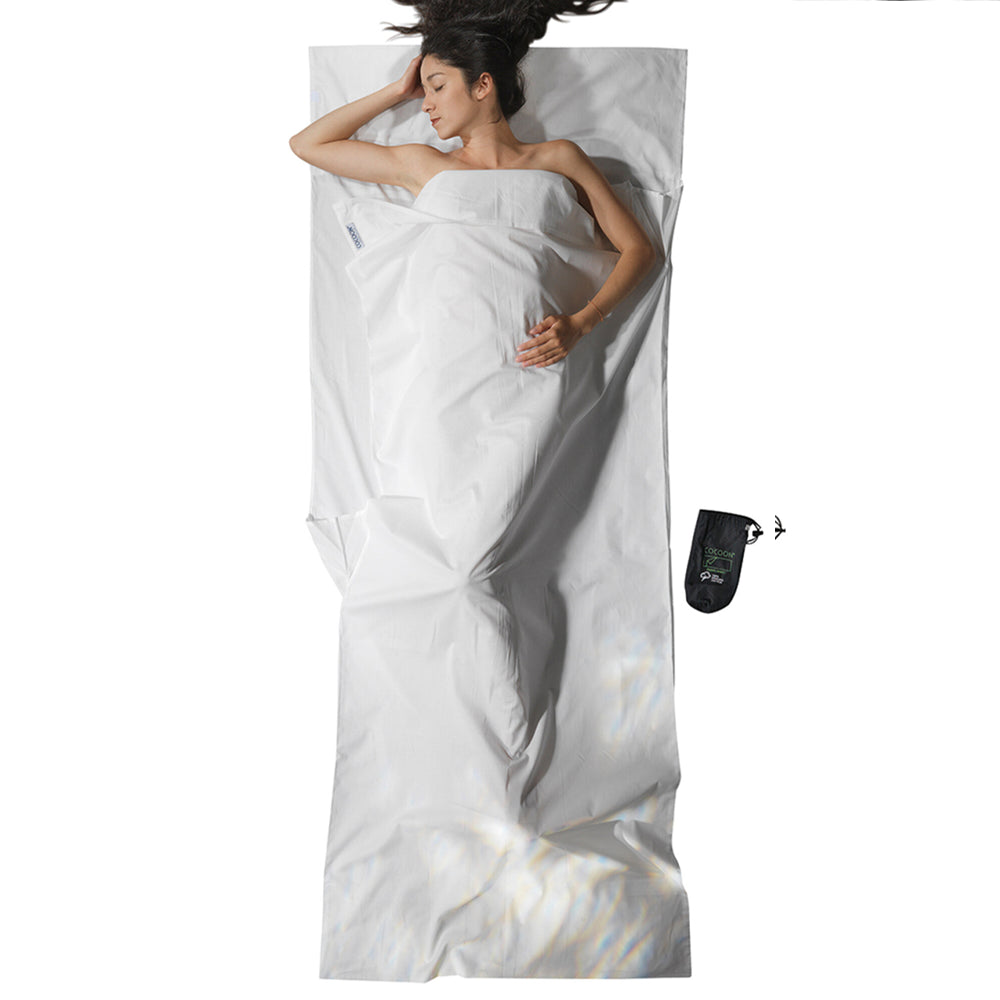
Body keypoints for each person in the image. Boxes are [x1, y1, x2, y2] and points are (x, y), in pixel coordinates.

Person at [289, 0, 656, 369]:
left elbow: (638, 250)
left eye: (437, 87)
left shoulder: (559, 158)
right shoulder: (425, 165)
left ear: (482, 85)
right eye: (424, 91)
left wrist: (582, 323)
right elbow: (307, 145)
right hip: (446, 356)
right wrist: (397, 91)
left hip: (536, 357)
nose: (425, 105)